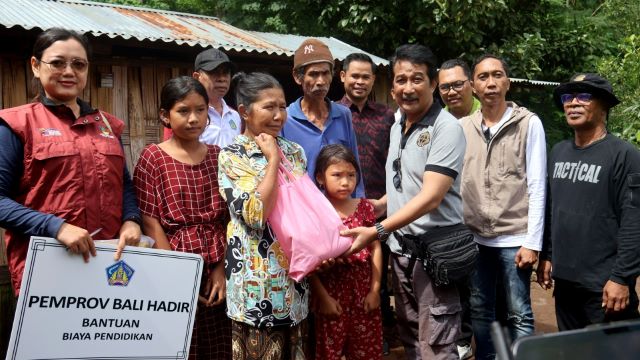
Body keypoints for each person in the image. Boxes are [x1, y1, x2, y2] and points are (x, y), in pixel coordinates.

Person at [343, 44, 466, 360]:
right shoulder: (398, 123)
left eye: (416, 79)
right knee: (410, 335)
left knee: (437, 343)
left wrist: (377, 230)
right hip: (401, 253)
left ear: (433, 82)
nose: (407, 88)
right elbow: (403, 187)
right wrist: (374, 206)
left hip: (434, 255)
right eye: (400, 80)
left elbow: (430, 197)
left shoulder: (446, 127)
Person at [0, 28, 141, 296]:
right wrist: (56, 227)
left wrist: (132, 219)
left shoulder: (108, 126)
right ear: (35, 66)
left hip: (108, 264)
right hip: (47, 269)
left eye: (78, 64)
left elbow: (123, 183)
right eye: (57, 63)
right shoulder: (17, 125)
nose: (69, 71)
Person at [133, 76, 231, 359]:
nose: (193, 119)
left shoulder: (219, 156)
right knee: (180, 343)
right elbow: (150, 221)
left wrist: (222, 269)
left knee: (220, 343)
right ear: (165, 115)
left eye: (200, 110)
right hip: (174, 260)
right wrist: (179, 276)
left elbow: (229, 219)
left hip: (219, 262)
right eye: (183, 111)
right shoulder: (153, 157)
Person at [459, 54, 546, 360]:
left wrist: (532, 242)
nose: (491, 83)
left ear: (508, 82)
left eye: (497, 75)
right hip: (476, 238)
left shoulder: (528, 123)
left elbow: (537, 186)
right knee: (481, 309)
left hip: (515, 237)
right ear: (473, 86)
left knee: (519, 312)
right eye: (483, 77)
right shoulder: (462, 127)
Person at [217, 72, 309, 359]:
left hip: (294, 280)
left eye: (282, 106)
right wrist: (272, 160)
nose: (279, 115)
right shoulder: (232, 155)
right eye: (269, 107)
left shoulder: (295, 152)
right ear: (244, 111)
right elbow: (256, 214)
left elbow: (305, 209)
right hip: (256, 285)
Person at [538, 73, 640, 330]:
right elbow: (553, 210)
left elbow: (634, 220)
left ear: (603, 106)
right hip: (566, 283)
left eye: (584, 96)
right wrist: (548, 255)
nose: (573, 103)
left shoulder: (624, 155)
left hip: (605, 287)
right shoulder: (558, 151)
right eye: (567, 97)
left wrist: (622, 278)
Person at [337, 52, 395, 354]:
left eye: (366, 77)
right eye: (354, 75)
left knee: (377, 272)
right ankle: (339, 332)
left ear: (374, 80)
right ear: (343, 76)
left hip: (380, 209)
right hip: (340, 209)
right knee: (339, 270)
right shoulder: (333, 113)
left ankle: (377, 332)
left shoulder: (387, 116)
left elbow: (396, 161)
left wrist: (386, 201)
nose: (360, 82)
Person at [311, 144, 383, 360]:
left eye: (351, 175)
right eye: (337, 175)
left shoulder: (364, 207)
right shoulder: (315, 210)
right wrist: (322, 297)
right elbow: (307, 258)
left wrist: (375, 291)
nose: (345, 182)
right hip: (330, 293)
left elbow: (376, 248)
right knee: (328, 351)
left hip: (362, 295)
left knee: (366, 350)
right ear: (320, 178)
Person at [281, 38, 365, 197]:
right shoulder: (285, 120)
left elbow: (354, 166)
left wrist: (359, 206)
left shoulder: (343, 115)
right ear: (298, 77)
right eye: (313, 74)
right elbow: (284, 178)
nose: (321, 81)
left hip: (342, 209)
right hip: (305, 212)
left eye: (326, 73)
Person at [437, 58, 480, 360]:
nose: (452, 92)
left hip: (493, 226)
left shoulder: (489, 116)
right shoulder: (438, 121)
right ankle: (464, 342)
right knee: (460, 291)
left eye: (457, 84)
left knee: (493, 296)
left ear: (471, 85)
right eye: (445, 87)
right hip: (453, 224)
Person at [163, 48, 241, 147]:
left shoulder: (235, 115)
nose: (222, 79)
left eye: (226, 73)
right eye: (214, 72)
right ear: (197, 77)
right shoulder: (182, 114)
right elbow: (172, 153)